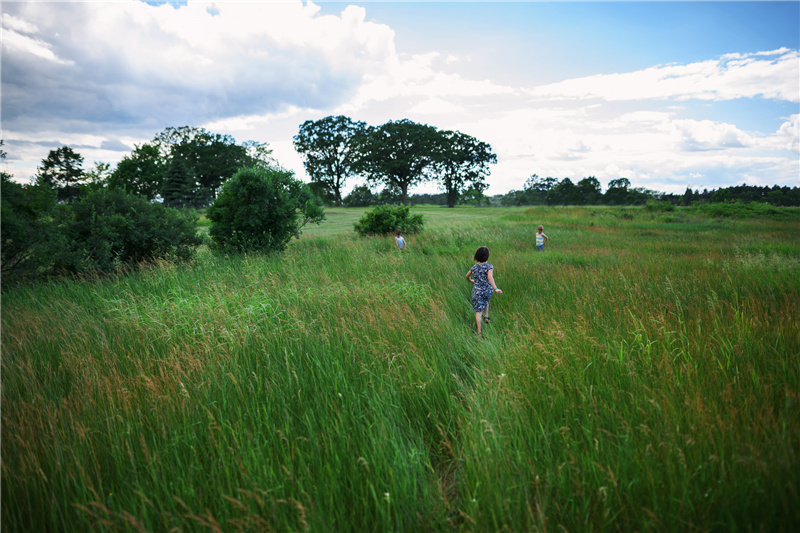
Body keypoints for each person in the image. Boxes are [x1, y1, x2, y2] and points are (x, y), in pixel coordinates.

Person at [466, 246, 502, 336]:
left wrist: (471, 280)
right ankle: (486, 317)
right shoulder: (489, 267)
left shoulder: (474, 267)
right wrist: (495, 288)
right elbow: (489, 277)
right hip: (487, 290)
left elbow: (467, 276)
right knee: (486, 301)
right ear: (487, 256)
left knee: (478, 312)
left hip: (477, 292)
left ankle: (479, 333)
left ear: (477, 256)